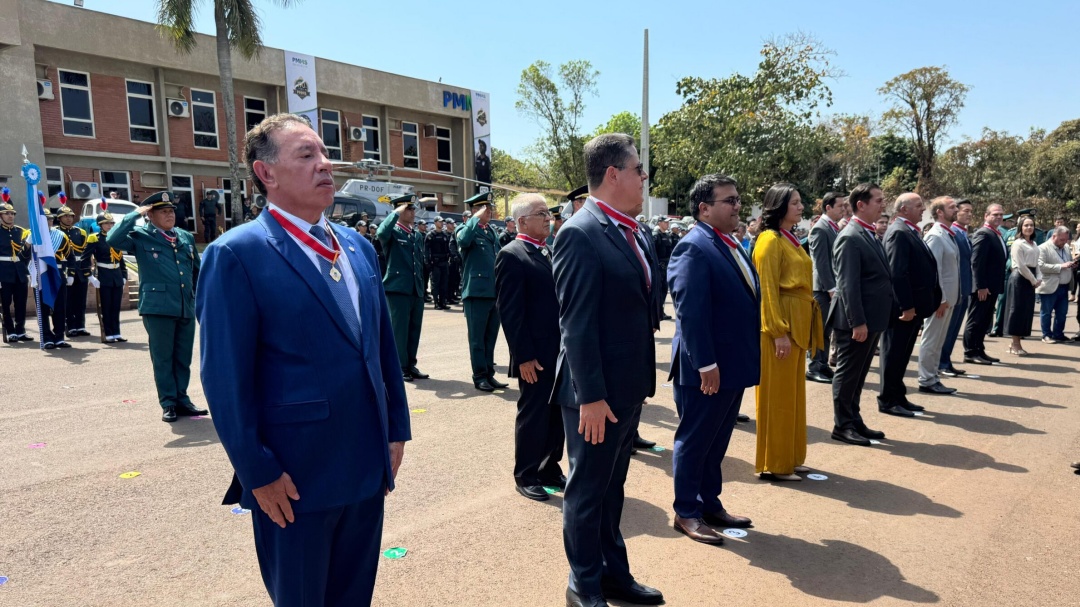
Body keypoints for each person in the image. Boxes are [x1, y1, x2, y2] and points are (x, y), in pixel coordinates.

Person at [197, 113, 410, 606]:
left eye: (324, 152)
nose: (325, 164)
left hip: (364, 464)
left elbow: (380, 349)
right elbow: (226, 380)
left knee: (354, 596)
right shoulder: (237, 254)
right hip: (293, 479)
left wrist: (395, 427)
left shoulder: (357, 247)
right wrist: (256, 470)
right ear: (265, 173)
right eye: (306, 154)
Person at [553, 133, 663, 607]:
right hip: (594, 395)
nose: (645, 179)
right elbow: (575, 325)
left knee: (612, 490)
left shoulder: (633, 230)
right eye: (640, 170)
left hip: (627, 385)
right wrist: (591, 397)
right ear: (613, 174)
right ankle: (584, 582)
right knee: (587, 491)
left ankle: (614, 574)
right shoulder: (580, 231)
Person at [667, 174, 759, 544]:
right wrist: (706, 363)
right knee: (695, 440)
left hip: (731, 363)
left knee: (717, 440)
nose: (737, 206)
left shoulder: (728, 243)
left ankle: (709, 502)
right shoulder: (694, 246)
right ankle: (686, 511)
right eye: (729, 200)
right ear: (704, 208)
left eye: (738, 199)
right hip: (707, 367)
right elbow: (691, 312)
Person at [107, 191, 206, 422]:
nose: (170, 215)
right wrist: (134, 214)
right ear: (150, 215)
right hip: (158, 307)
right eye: (163, 211)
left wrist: (201, 299)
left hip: (184, 305)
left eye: (171, 211)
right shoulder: (141, 236)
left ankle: (182, 398)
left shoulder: (184, 237)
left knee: (182, 357)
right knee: (163, 357)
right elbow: (113, 239)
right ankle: (168, 402)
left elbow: (196, 271)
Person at [495, 193, 565, 502]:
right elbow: (511, 312)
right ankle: (526, 473)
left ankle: (550, 467)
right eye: (541, 214)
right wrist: (522, 356)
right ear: (522, 221)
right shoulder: (512, 254)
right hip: (533, 355)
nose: (548, 218)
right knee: (534, 413)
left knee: (557, 413)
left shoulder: (548, 251)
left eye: (548, 214)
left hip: (558, 351)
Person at [752, 183, 823, 480]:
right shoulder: (769, 240)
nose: (801, 207)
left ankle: (791, 457)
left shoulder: (789, 238)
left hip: (798, 325)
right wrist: (777, 330)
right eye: (794, 202)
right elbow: (766, 290)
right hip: (780, 328)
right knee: (777, 398)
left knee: (793, 395)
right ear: (778, 205)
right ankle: (776, 462)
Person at [830, 183, 894, 446]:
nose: (883, 204)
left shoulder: (868, 234)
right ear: (861, 205)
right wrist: (858, 321)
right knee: (847, 375)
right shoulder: (850, 236)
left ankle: (854, 420)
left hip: (871, 319)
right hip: (857, 321)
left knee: (858, 375)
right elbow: (847, 285)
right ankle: (842, 425)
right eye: (878, 200)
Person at [877, 194, 943, 417]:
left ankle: (898, 395)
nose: (923, 210)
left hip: (913, 307)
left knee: (902, 355)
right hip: (901, 309)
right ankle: (887, 400)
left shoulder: (908, 231)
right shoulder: (898, 232)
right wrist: (906, 306)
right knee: (893, 353)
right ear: (904, 209)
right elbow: (897, 273)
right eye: (918, 206)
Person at [377, 195, 429, 381]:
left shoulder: (415, 235)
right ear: (399, 211)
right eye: (409, 208)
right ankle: (399, 366)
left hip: (415, 288)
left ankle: (410, 364)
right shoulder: (393, 232)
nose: (413, 212)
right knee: (399, 330)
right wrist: (395, 212)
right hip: (398, 288)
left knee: (414, 329)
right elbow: (381, 233)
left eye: (414, 209)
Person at [458, 192, 506, 392]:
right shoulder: (465, 228)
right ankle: (479, 376)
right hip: (476, 292)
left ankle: (489, 374)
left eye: (489, 207)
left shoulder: (491, 232)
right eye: (485, 208)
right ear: (475, 210)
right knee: (477, 339)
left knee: (490, 337)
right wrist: (474, 219)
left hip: (493, 291)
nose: (490, 211)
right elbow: (463, 241)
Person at [918, 197, 961, 395]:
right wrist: (941, 298)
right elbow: (934, 271)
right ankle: (926, 379)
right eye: (952, 207)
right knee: (931, 339)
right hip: (940, 301)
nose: (957, 210)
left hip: (948, 299)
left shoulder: (946, 234)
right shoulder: (935, 235)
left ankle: (932, 376)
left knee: (938, 341)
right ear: (940, 213)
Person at [963, 204, 1008, 364]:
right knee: (976, 319)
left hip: (992, 286)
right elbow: (976, 262)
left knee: (985, 320)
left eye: (1001, 215)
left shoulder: (996, 234)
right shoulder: (983, 233)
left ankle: (979, 350)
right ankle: (970, 352)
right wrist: (980, 286)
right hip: (983, 287)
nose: (998, 217)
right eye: (995, 214)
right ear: (986, 215)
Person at [808, 192, 844, 384]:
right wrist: (830, 287)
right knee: (819, 330)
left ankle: (822, 365)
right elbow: (821, 262)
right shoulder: (820, 229)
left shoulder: (833, 228)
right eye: (839, 206)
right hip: (822, 289)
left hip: (830, 288)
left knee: (827, 329)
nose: (843, 209)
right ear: (828, 207)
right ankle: (814, 366)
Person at [939, 199, 974, 377]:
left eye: (970, 211)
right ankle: (941, 362)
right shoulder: (951, 233)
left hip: (964, 288)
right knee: (948, 329)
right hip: (954, 289)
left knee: (953, 330)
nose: (969, 214)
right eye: (965, 210)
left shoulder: (963, 233)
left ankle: (946, 360)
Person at [85, 211, 129, 343]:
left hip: (116, 276)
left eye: (111, 223)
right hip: (103, 275)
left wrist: (124, 275)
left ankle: (116, 332)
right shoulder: (95, 238)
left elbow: (121, 259)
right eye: (107, 223)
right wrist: (90, 277)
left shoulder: (116, 238)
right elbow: (85, 258)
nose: (110, 226)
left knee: (116, 306)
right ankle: (108, 332)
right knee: (106, 306)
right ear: (100, 225)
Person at [1004, 215, 1042, 356]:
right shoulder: (1018, 243)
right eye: (1026, 225)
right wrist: (1033, 279)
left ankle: (1016, 342)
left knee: (1026, 311)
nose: (1029, 228)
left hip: (1030, 277)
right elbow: (1020, 265)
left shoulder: (1034, 244)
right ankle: (1015, 344)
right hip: (1020, 278)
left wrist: (1039, 278)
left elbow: (1036, 263)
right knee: (1017, 311)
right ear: (1020, 227)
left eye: (1031, 225)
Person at [55, 206, 92, 338]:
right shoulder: (56, 232)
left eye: (70, 216)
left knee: (80, 299)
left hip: (80, 268)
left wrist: (89, 270)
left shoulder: (80, 232)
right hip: (65, 267)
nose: (69, 218)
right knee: (67, 300)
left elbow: (86, 253)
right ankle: (70, 326)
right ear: (59, 218)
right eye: (65, 216)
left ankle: (80, 325)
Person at [40, 208, 74, 348]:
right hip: (43, 275)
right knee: (44, 308)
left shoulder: (60, 235)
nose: (48, 221)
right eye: (45, 219)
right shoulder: (33, 236)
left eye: (50, 219)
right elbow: (25, 257)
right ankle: (47, 337)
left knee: (60, 307)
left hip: (58, 274)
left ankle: (59, 336)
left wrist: (71, 274)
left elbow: (70, 256)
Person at [1036, 226, 1075, 343]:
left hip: (1064, 286)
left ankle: (1058, 334)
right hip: (1049, 285)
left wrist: (1072, 264)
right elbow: (1040, 266)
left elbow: (1067, 261)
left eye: (1066, 240)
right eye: (1062, 240)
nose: (1064, 242)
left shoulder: (1066, 247)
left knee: (1062, 313)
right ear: (1054, 236)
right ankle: (1046, 335)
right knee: (1046, 312)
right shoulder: (1042, 248)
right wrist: (1060, 266)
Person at [0, 201, 33, 342]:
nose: (10, 216)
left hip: (19, 272)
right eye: (6, 213)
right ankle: (10, 330)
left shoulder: (21, 231)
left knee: (21, 303)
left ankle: (20, 330)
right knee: (5, 303)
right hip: (3, 272)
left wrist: (27, 245)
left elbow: (26, 256)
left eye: (12, 213)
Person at [426, 217, 452, 310]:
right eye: (440, 222)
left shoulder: (445, 235)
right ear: (435, 222)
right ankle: (436, 303)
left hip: (444, 262)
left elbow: (448, 248)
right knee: (435, 283)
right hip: (435, 263)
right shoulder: (431, 235)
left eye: (442, 222)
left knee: (444, 283)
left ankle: (443, 302)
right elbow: (426, 249)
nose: (441, 223)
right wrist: (428, 262)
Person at [447, 218, 462, 303]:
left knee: (456, 280)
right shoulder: (446, 234)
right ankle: (448, 297)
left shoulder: (454, 233)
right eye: (451, 224)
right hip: (450, 260)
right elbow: (451, 247)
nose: (453, 225)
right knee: (450, 280)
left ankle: (452, 295)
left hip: (457, 261)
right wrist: (455, 256)